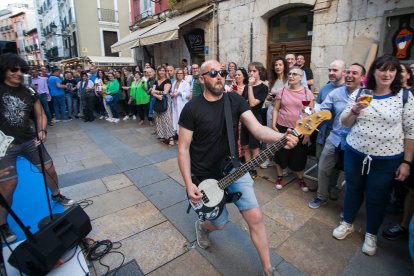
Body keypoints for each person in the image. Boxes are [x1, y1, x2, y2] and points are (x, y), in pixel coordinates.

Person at [177, 60, 298, 276]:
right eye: (213, 73)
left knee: (256, 218)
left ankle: (268, 269)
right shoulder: (191, 108)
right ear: (202, 78)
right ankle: (203, 226)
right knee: (220, 224)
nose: (219, 76)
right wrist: (188, 184)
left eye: (222, 72)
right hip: (204, 175)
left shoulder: (233, 100)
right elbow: (183, 149)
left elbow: (258, 130)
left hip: (233, 168)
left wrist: (282, 136)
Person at [333, 54, 414, 256]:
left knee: (378, 197)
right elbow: (345, 122)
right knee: (352, 190)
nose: (387, 74)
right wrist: (355, 109)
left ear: (396, 74)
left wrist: (407, 162)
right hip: (355, 153)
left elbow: (411, 132)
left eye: (392, 70)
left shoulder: (404, 97)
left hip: (387, 159)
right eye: (382, 69)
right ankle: (348, 222)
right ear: (374, 72)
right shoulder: (361, 92)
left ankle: (371, 234)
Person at [0, 53, 74, 243]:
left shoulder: (29, 91)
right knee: (9, 183)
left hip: (29, 140)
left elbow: (40, 114)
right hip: (4, 145)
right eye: (13, 69)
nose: (19, 73)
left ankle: (56, 195)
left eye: (22, 70)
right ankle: (2, 225)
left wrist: (41, 131)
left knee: (49, 168)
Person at [308, 63, 366, 209]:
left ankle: (348, 209)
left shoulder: (367, 95)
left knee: (351, 177)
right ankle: (321, 196)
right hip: (335, 138)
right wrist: (311, 111)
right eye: (348, 72)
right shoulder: (335, 93)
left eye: (355, 73)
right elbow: (322, 109)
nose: (350, 76)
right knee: (322, 168)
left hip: (356, 142)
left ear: (362, 77)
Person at [272, 66, 315, 192]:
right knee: (280, 153)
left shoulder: (307, 93)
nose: (291, 76)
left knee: (299, 155)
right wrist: (273, 124)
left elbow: (311, 115)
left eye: (294, 74)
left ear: (301, 77)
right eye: (289, 74)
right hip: (282, 127)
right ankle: (280, 176)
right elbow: (276, 109)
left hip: (300, 129)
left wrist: (308, 134)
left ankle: (301, 178)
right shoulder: (282, 91)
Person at [315, 60, 346, 160]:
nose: (331, 73)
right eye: (329, 70)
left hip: (340, 136)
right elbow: (318, 108)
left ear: (344, 72)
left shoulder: (349, 90)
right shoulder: (325, 88)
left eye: (335, 70)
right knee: (320, 160)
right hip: (322, 133)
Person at [241, 62, 268, 179]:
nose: (251, 73)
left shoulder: (263, 87)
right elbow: (242, 102)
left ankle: (253, 169)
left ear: (259, 72)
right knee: (245, 146)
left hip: (255, 119)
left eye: (254, 71)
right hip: (244, 119)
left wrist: (251, 86)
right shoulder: (247, 86)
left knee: (254, 147)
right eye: (250, 71)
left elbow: (252, 103)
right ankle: (247, 168)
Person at [151, 66, 175, 146]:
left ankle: (171, 138)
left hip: (165, 101)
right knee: (158, 119)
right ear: (157, 72)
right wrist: (157, 95)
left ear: (165, 72)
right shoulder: (156, 81)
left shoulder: (167, 81)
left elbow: (165, 92)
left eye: (163, 70)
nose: (161, 72)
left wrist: (155, 91)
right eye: (160, 71)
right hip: (157, 100)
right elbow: (152, 92)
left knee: (166, 119)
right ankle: (163, 136)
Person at [170, 68, 190, 136]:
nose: (180, 75)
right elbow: (172, 91)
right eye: (178, 73)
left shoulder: (185, 83)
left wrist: (179, 93)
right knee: (175, 118)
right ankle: (177, 133)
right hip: (175, 104)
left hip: (182, 104)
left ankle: (182, 135)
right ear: (176, 74)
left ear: (183, 74)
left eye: (181, 73)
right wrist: (172, 94)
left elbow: (188, 95)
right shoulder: (174, 82)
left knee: (182, 119)